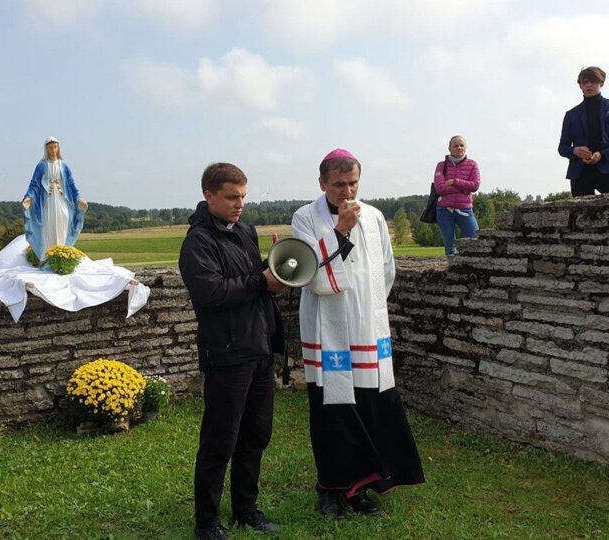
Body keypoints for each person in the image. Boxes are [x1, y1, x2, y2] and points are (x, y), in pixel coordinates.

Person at [291, 148, 425, 520]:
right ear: (322, 183)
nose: (346, 192)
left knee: (369, 409)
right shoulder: (304, 217)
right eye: (338, 185)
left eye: (353, 183)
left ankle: (360, 489)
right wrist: (340, 231)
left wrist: (369, 311)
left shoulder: (376, 217)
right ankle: (330, 490)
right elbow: (306, 273)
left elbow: (386, 269)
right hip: (326, 327)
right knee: (331, 413)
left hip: (365, 326)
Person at [178, 163, 285, 540]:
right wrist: (261, 281)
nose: (240, 204)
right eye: (231, 197)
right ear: (209, 196)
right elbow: (212, 293)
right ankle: (206, 523)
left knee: (256, 434)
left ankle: (245, 509)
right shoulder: (198, 242)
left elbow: (250, 276)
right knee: (219, 441)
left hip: (258, 346)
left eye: (243, 196)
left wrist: (272, 268)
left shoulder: (244, 231)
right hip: (226, 353)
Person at [558, 66, 609, 197]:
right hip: (580, 172)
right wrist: (575, 151)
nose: (589, 85)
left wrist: (601, 154)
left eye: (593, 81)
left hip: (608, 169)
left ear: (601, 83)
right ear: (580, 86)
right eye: (585, 82)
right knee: (581, 216)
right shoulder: (571, 115)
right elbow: (562, 148)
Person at [22, 137, 88, 261]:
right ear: (46, 149)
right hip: (47, 202)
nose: (53, 150)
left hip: (62, 201)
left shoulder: (64, 166)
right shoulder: (42, 166)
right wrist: (29, 198)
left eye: (55, 147)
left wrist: (79, 199)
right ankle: (49, 258)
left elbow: (72, 184)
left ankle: (63, 255)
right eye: (50, 147)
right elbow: (34, 184)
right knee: (48, 226)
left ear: (59, 148)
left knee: (63, 223)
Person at [433, 135, 480, 256]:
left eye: (461, 145)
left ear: (465, 147)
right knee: (450, 248)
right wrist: (464, 189)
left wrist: (455, 181)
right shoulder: (441, 166)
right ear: (449, 148)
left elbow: (474, 186)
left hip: (465, 209)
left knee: (476, 242)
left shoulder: (473, 164)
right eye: (455, 145)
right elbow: (440, 189)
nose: (459, 148)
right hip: (444, 210)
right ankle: (452, 271)